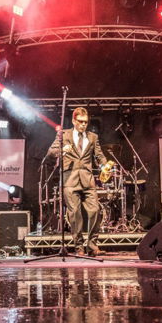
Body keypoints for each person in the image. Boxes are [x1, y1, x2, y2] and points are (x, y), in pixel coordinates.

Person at [47, 107, 111, 256]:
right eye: (81, 121)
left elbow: (99, 156)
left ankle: (92, 245)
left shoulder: (93, 137)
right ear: (74, 121)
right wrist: (63, 149)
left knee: (95, 210)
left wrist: (104, 166)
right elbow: (50, 153)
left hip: (87, 180)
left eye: (86, 122)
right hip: (70, 180)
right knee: (75, 214)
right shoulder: (64, 135)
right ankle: (79, 247)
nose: (83, 125)